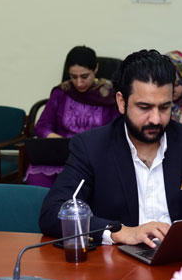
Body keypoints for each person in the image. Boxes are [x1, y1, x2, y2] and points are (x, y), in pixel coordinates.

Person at [39, 50, 182, 247]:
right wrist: (119, 232)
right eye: (144, 107)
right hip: (118, 261)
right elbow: (53, 213)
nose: (156, 119)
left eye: (164, 107)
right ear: (121, 102)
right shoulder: (92, 147)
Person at [26, 45, 119, 188]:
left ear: (95, 69)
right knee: (36, 178)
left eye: (84, 76)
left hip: (96, 155)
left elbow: (118, 129)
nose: (79, 83)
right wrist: (61, 142)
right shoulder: (62, 92)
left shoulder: (109, 94)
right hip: (62, 155)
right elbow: (42, 126)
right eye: (73, 77)